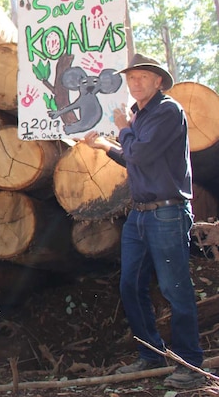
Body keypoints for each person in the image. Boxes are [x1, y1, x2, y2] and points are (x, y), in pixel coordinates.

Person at [82, 53, 203, 389]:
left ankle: (190, 364)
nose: (135, 83)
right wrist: (105, 145)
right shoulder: (140, 115)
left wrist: (121, 127)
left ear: (158, 82)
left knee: (174, 288)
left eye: (142, 78)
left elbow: (139, 154)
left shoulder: (167, 111)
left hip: (167, 212)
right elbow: (135, 160)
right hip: (140, 213)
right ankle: (152, 354)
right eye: (131, 78)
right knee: (130, 285)